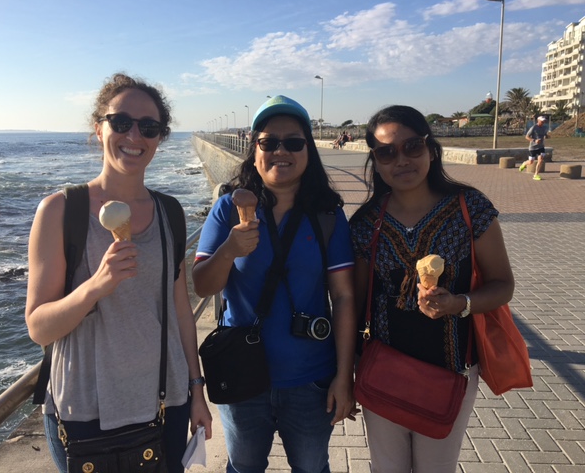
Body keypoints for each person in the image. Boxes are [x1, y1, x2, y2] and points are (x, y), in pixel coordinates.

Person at [25, 73, 212, 472]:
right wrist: (95, 286)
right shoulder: (61, 211)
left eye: (149, 127)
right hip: (87, 410)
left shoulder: (170, 213)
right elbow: (39, 327)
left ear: (160, 138)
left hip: (166, 400)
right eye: (121, 122)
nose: (134, 135)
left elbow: (180, 312)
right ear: (99, 128)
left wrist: (197, 390)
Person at [193, 95, 357, 473]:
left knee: (312, 468)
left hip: (311, 378)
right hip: (241, 377)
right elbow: (202, 285)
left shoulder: (328, 215)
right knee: (243, 467)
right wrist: (229, 250)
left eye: (294, 142)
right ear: (255, 151)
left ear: (308, 151)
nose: (281, 151)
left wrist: (344, 377)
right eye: (269, 142)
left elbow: (345, 297)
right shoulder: (229, 208)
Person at [349, 105, 515, 473]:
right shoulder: (365, 224)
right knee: (386, 468)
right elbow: (354, 304)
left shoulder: (470, 208)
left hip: (451, 369)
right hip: (382, 369)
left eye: (412, 146)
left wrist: (460, 303)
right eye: (387, 152)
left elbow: (503, 285)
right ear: (375, 162)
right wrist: (344, 372)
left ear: (431, 148)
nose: (401, 159)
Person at [520, 115, 550, 180]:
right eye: (542, 121)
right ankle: (524, 163)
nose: (543, 123)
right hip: (533, 147)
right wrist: (534, 140)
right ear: (538, 121)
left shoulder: (544, 127)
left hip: (541, 147)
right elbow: (527, 136)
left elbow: (545, 134)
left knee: (540, 160)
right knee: (531, 162)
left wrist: (547, 136)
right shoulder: (534, 127)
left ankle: (536, 174)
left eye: (544, 121)